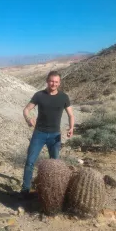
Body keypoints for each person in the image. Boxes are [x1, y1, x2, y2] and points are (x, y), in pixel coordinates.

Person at [20, 70, 74, 198]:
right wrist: (28, 119)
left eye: (56, 82)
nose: (53, 84)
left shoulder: (64, 97)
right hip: (39, 134)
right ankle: (25, 190)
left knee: (55, 165)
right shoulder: (39, 95)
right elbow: (26, 109)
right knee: (30, 162)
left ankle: (53, 191)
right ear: (47, 81)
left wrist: (71, 128)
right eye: (51, 81)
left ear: (59, 83)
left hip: (55, 136)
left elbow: (71, 114)